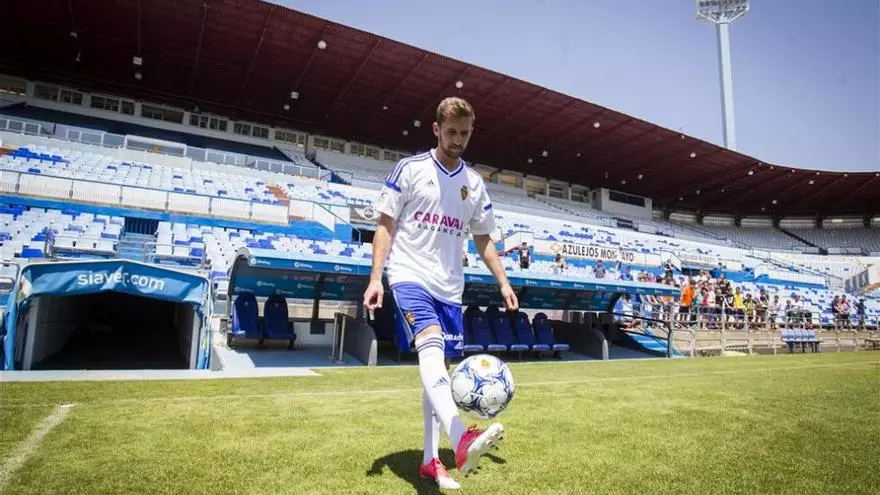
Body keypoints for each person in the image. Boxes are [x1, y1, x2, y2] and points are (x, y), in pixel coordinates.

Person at [363, 97, 517, 489]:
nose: (457, 140)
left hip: (450, 289)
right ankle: (461, 437)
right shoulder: (410, 169)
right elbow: (385, 225)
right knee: (429, 347)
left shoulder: (474, 184)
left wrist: (503, 282)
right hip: (409, 275)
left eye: (464, 133)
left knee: (438, 376)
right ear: (436, 129)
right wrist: (376, 278)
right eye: (451, 132)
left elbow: (483, 239)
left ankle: (430, 461)